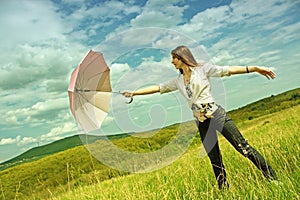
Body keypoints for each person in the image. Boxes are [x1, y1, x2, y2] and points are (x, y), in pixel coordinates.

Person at [122, 45, 278, 189]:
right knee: (215, 159)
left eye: (174, 58)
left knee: (243, 148)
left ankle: (273, 178)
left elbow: (228, 70)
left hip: (216, 114)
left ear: (182, 57)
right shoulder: (178, 81)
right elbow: (158, 88)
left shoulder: (203, 69)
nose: (172, 62)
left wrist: (255, 68)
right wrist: (134, 93)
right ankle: (224, 191)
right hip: (201, 121)